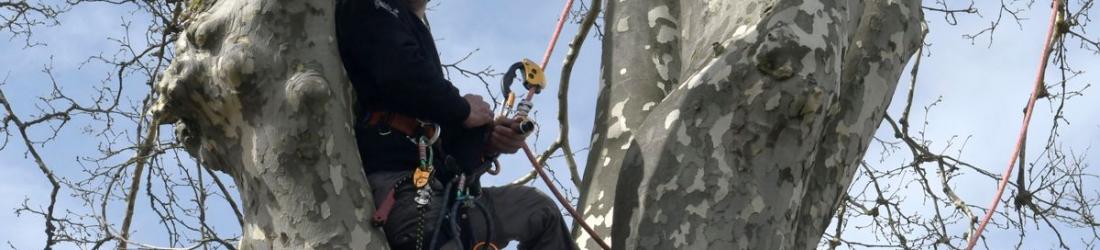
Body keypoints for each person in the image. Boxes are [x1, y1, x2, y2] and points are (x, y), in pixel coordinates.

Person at [334, 0, 579, 249]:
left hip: (445, 192)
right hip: (400, 184)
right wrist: (462, 109)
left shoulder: (414, 29)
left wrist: (487, 140)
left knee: (539, 210)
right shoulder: (371, 6)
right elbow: (399, 74)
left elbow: (444, 139)